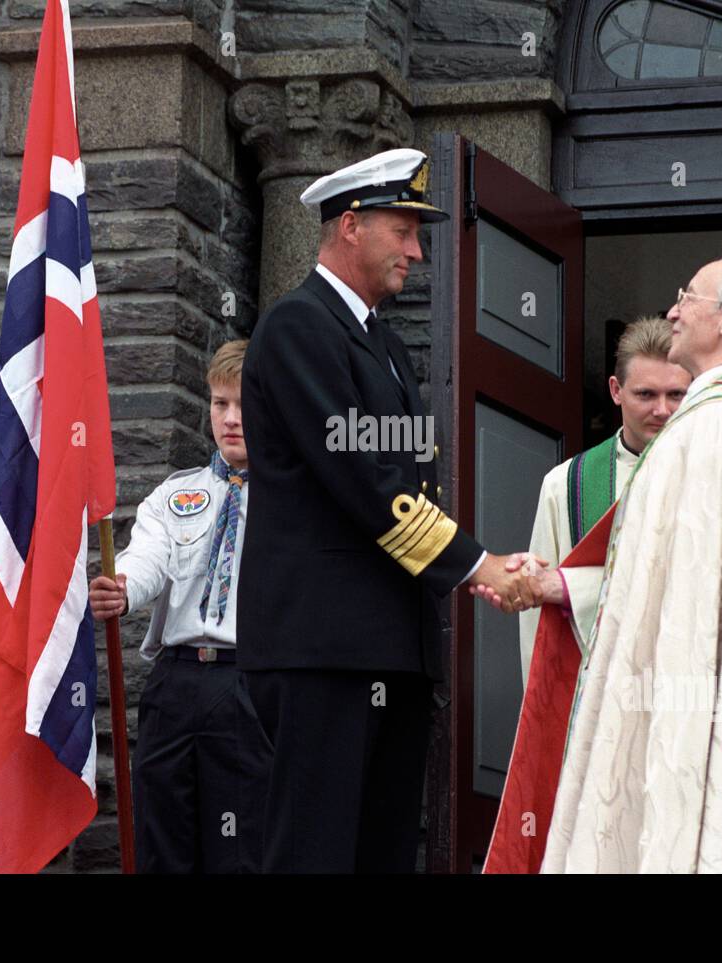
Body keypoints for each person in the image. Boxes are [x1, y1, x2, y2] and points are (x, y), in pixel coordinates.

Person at [238, 147, 542, 873]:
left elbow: (408, 483)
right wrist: (478, 565)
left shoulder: (385, 346)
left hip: (385, 647)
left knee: (380, 854)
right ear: (351, 225)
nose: (415, 249)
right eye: (403, 229)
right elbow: (368, 483)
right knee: (315, 853)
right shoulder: (299, 328)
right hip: (323, 650)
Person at [487, 241, 722, 873]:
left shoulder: (720, 423)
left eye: (688, 296)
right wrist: (558, 588)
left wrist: (671, 738)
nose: (675, 309)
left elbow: (687, 603)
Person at [88, 339, 270, 874]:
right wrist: (121, 587)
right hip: (177, 682)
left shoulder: (295, 499)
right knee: (161, 832)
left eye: (245, 404)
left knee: (241, 842)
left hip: (252, 682)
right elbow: (147, 559)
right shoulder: (173, 496)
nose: (231, 419)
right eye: (219, 404)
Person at [518, 316, 689, 683]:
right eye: (646, 394)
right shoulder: (567, 485)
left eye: (676, 394)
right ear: (616, 390)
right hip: (598, 696)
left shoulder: (717, 478)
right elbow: (540, 618)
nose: (662, 410)